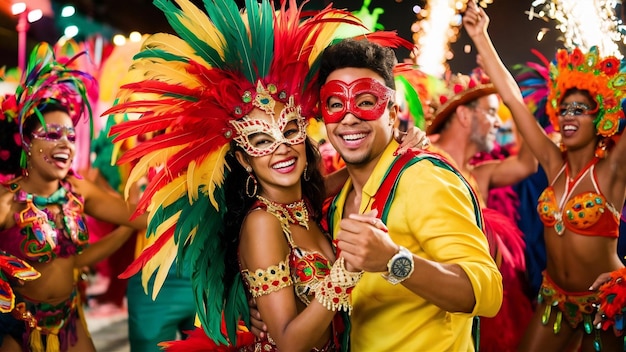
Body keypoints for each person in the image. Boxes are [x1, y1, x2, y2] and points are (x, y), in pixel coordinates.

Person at [102, 0, 422, 351]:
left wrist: (395, 146)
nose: (280, 147)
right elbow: (287, 342)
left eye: (289, 130)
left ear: (305, 135)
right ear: (243, 159)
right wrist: (346, 271)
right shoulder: (262, 224)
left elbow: (345, 176)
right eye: (260, 140)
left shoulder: (304, 203)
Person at [316, 38, 502, 351]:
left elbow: (488, 292)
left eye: (364, 101)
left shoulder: (424, 179)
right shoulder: (340, 197)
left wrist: (394, 260)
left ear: (392, 112)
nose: (349, 117)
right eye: (336, 104)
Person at [463, 2, 626, 351]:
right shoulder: (554, 163)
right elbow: (512, 97)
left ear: (600, 121)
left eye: (580, 110)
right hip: (554, 300)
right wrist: (481, 37)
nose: (569, 115)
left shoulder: (612, 170)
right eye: (564, 108)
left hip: (604, 305)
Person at [0, 43, 147, 352]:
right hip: (17, 326)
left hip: (69, 319)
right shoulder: (6, 201)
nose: (65, 145)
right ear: (26, 141)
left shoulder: (77, 191)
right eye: (52, 135)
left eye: (70, 136)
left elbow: (77, 258)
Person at [426, 70, 536, 350]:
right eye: (490, 112)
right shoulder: (422, 156)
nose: (499, 123)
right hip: (439, 310)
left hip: (484, 304)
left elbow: (527, 164)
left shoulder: (479, 175)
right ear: (464, 116)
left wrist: (513, 100)